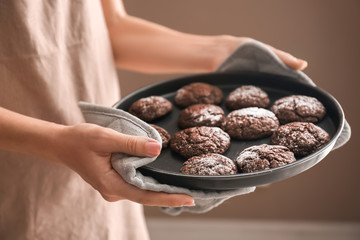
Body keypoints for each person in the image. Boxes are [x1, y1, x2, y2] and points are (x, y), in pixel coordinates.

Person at [0, 0, 307, 239]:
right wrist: (55, 141)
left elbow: (109, 28)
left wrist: (224, 51)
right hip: (18, 169)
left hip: (108, 150)